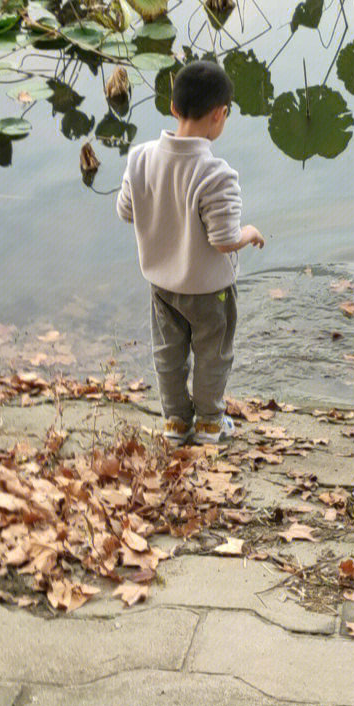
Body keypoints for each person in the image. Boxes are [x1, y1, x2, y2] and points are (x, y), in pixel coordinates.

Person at [116, 60, 264, 445]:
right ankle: (211, 423)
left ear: (173, 108)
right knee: (212, 355)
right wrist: (249, 233)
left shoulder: (139, 158)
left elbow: (125, 211)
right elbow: (223, 240)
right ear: (221, 114)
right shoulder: (217, 174)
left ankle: (177, 423)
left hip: (162, 286)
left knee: (168, 354)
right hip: (210, 290)